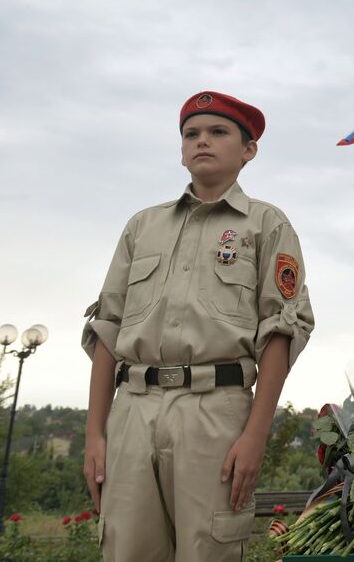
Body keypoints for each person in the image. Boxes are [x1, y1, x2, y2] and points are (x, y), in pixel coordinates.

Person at [81, 91, 315, 561]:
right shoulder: (142, 227)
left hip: (216, 412)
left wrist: (254, 435)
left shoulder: (266, 225)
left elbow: (281, 329)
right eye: (192, 134)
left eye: (218, 132)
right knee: (125, 548)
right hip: (133, 410)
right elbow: (107, 326)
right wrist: (95, 434)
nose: (202, 141)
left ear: (248, 150)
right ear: (181, 149)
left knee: (209, 548)